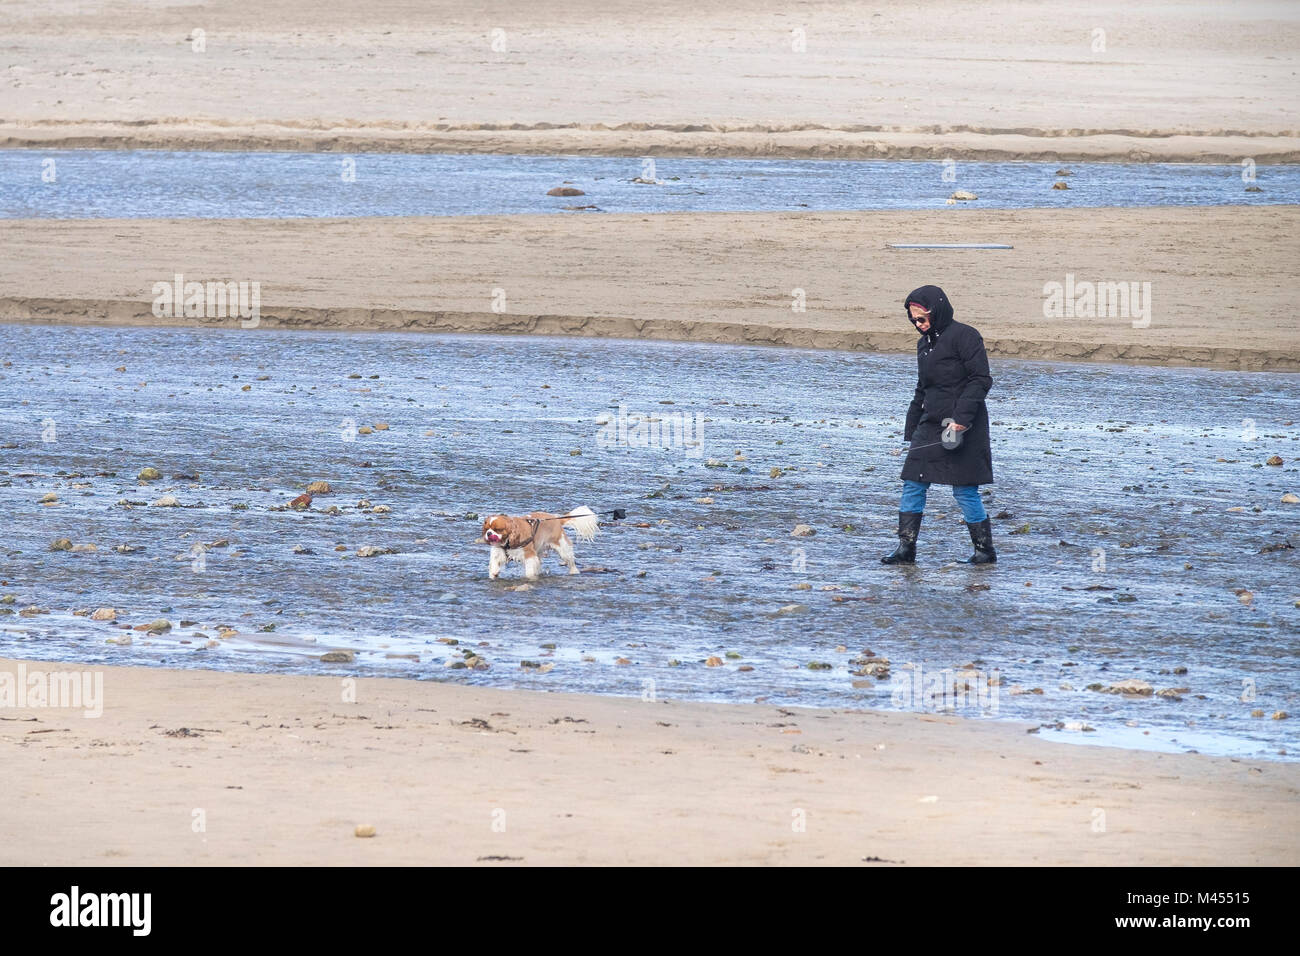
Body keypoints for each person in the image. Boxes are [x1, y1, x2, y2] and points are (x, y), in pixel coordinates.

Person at [881, 284, 996, 565]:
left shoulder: (965, 336)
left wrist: (961, 420)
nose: (918, 325)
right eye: (913, 320)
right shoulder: (924, 344)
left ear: (938, 310)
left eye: (922, 318)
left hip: (963, 424)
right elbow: (922, 388)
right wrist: (912, 430)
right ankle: (906, 549)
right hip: (929, 424)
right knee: (912, 483)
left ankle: (984, 551)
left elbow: (981, 379)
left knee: (964, 489)